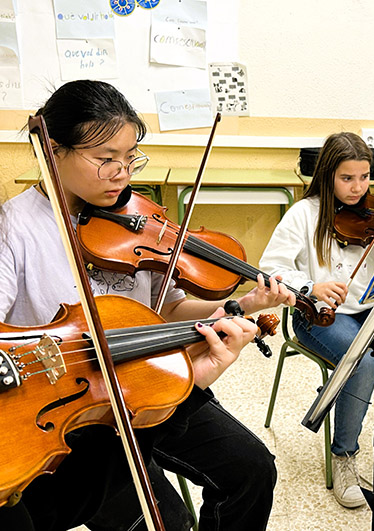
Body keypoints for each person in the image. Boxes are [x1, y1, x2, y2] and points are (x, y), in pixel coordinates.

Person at [0, 80, 295, 530]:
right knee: (167, 523)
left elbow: (170, 309)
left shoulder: (137, 221)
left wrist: (242, 304)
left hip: (151, 376)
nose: (123, 173)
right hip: (74, 405)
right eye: (105, 159)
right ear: (53, 149)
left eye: (129, 157)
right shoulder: (14, 227)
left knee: (252, 469)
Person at [259, 132, 374, 508]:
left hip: (372, 309)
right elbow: (270, 269)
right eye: (347, 178)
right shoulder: (303, 215)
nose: (358, 188)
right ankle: (344, 457)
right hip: (318, 316)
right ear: (327, 176)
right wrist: (311, 285)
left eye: (364, 177)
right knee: (362, 364)